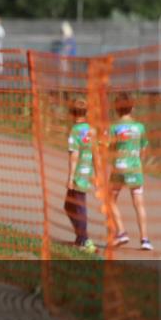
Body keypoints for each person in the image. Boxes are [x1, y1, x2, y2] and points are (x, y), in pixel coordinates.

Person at [106, 92, 152, 250]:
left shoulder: (114, 128)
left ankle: (121, 232)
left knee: (109, 199)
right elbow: (143, 149)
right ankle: (145, 240)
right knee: (139, 204)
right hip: (135, 169)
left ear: (116, 109)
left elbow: (110, 148)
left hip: (119, 168)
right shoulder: (140, 127)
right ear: (132, 108)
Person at [65, 99, 97, 253]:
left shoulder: (75, 131)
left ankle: (85, 240)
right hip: (87, 172)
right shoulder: (91, 130)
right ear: (87, 113)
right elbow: (96, 153)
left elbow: (74, 155)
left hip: (78, 174)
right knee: (68, 206)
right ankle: (80, 238)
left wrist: (71, 177)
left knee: (79, 207)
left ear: (72, 113)